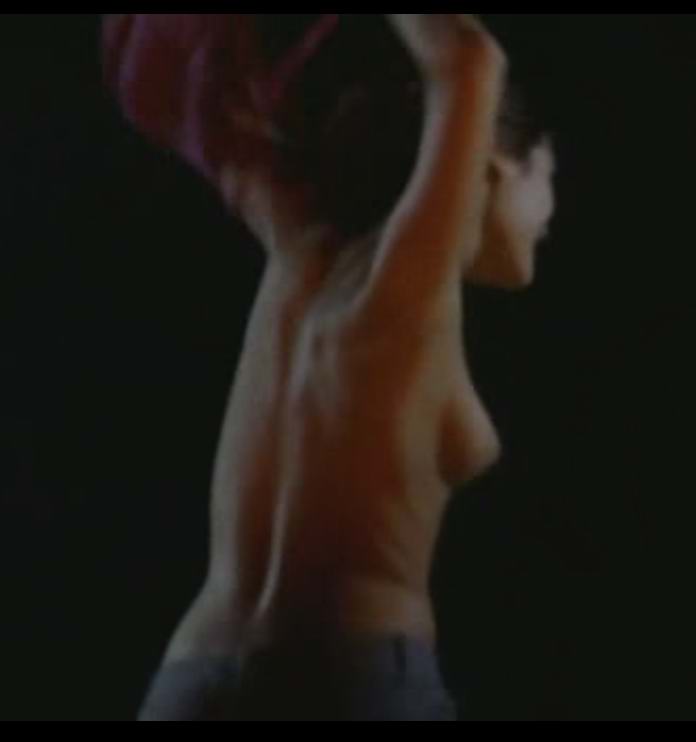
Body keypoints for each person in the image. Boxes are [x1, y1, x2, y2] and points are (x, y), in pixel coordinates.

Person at [106, 14, 555, 720]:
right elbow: (469, 61)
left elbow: (213, 119)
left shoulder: (292, 252)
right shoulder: (408, 285)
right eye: (548, 175)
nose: (550, 212)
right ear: (491, 162)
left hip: (190, 680)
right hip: (343, 672)